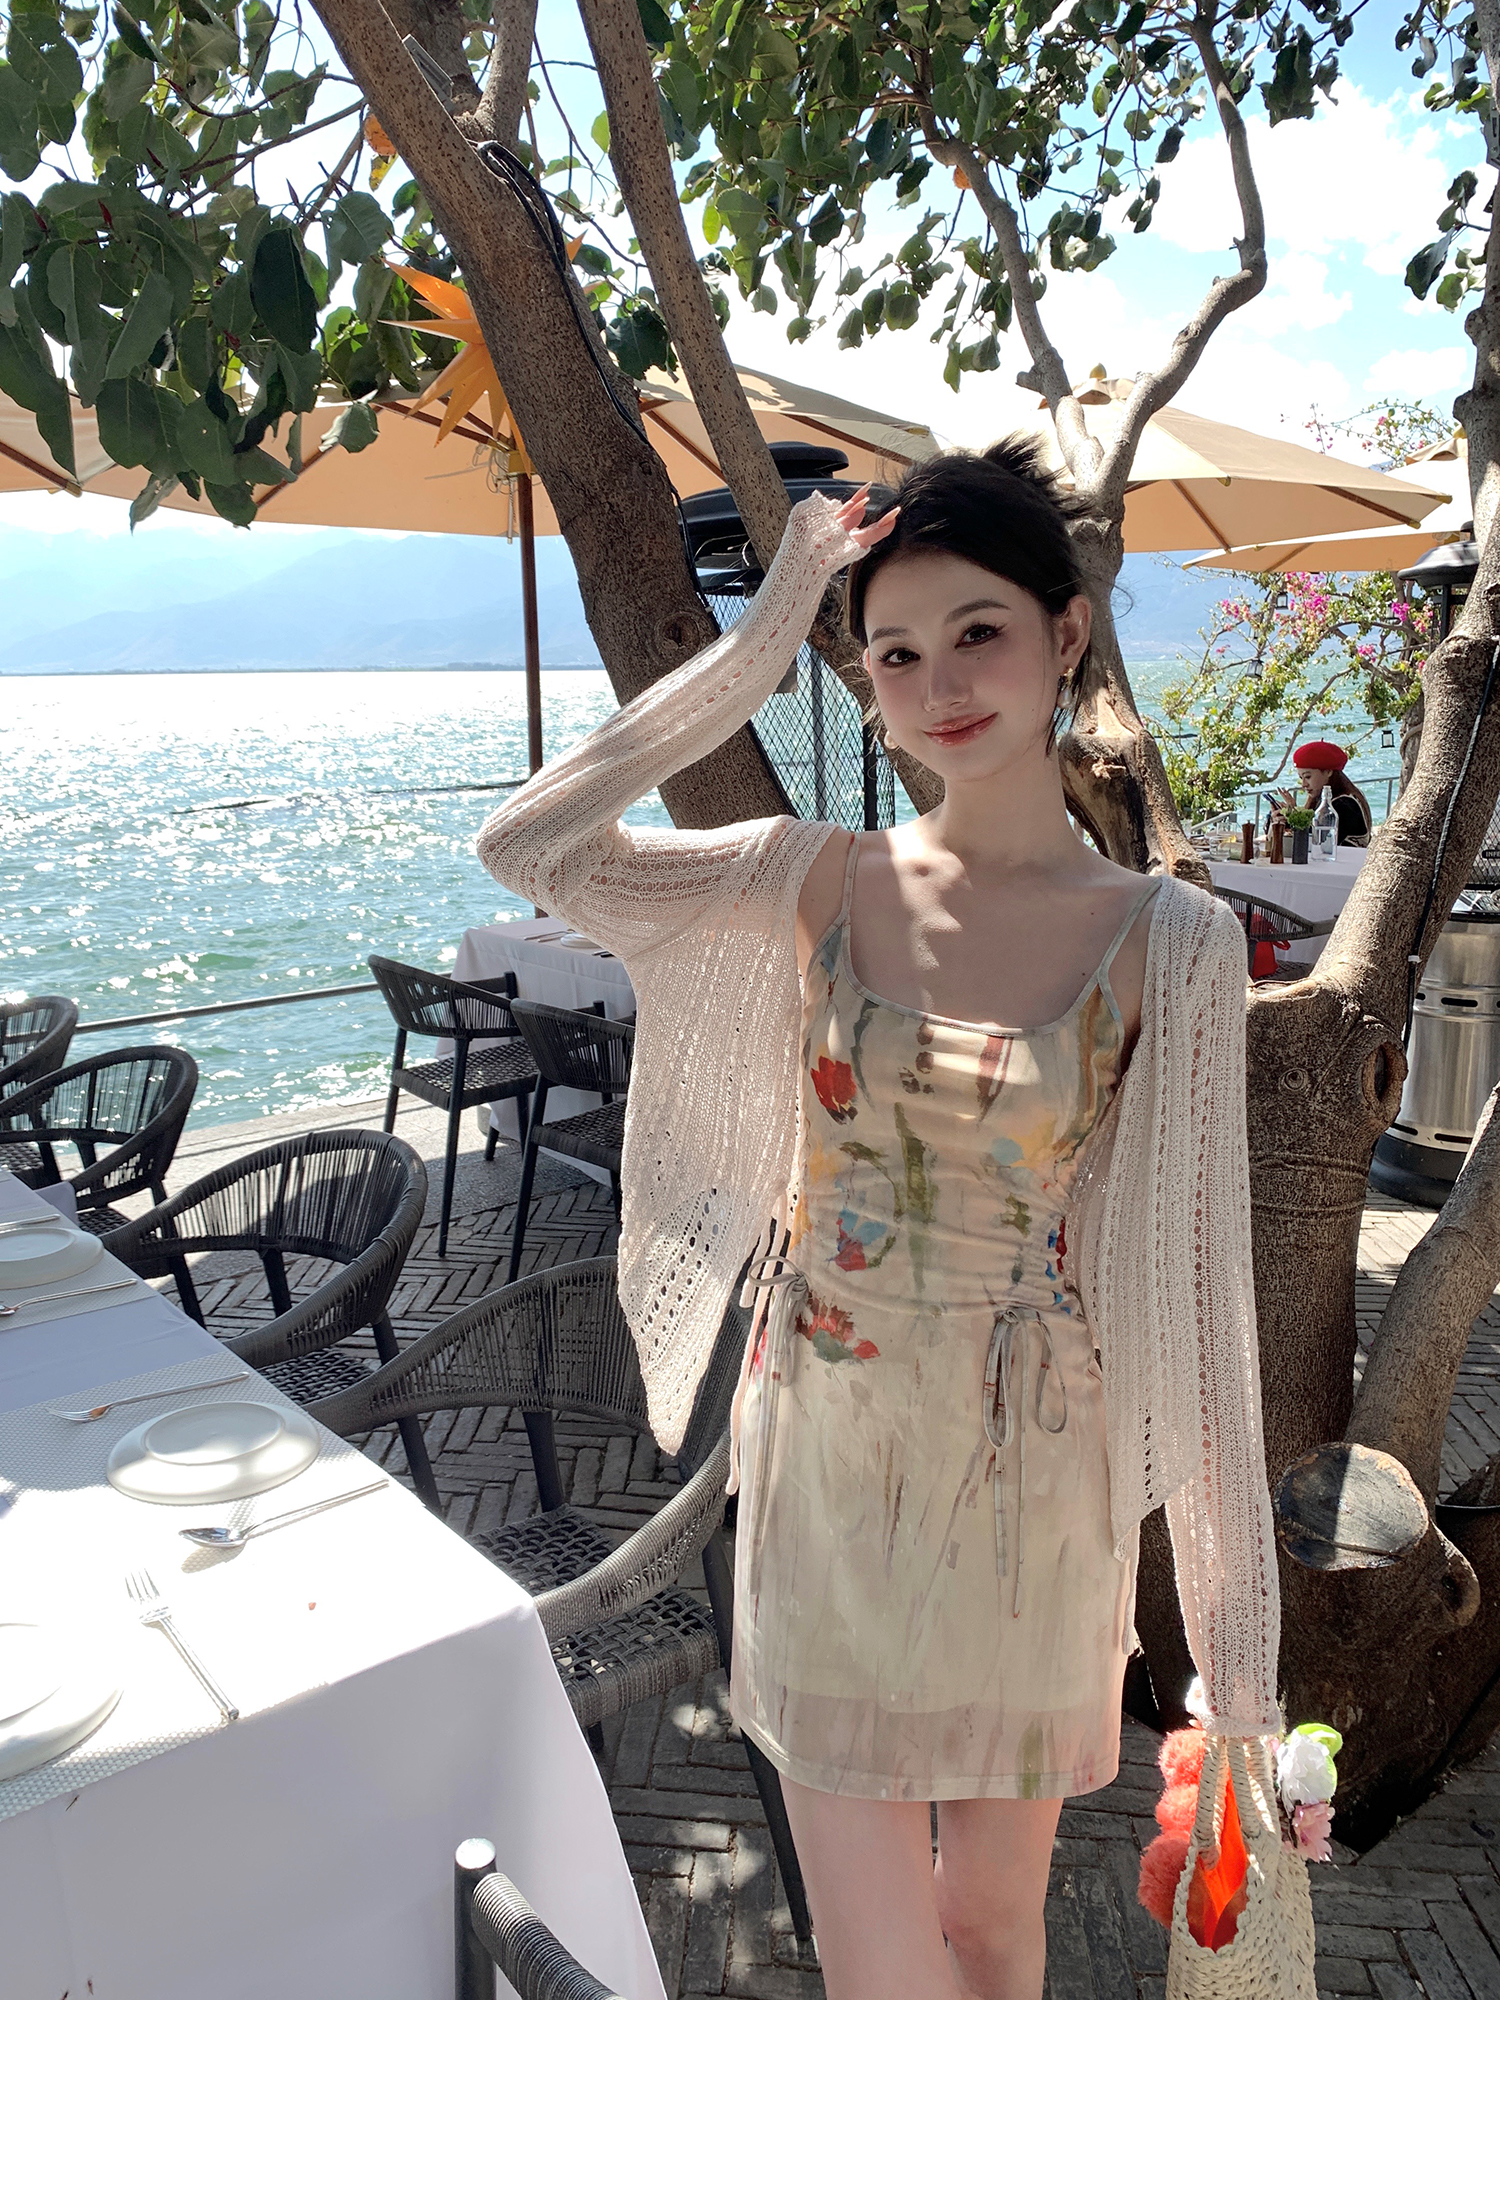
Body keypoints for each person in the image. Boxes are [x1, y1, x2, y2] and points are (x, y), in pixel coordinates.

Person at [478, 441, 1280, 2000]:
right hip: (826, 1468)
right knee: (878, 1963)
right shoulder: (811, 879)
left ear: (1067, 633)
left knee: (992, 1933)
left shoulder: (1171, 938)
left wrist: (1235, 1664)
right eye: (895, 654)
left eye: (978, 631)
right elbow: (534, 847)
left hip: (1035, 1491)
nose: (938, 683)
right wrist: (771, 631)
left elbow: (1202, 1298)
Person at [1268, 739, 1372, 846]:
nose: (1303, 784)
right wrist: (1283, 819)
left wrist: (1293, 818)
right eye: (1301, 778)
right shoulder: (1325, 800)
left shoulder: (1344, 805)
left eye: (1308, 777)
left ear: (1328, 772)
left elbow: (1316, 841)